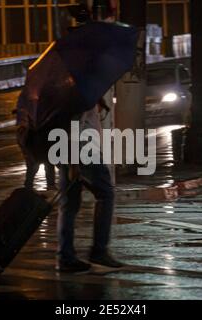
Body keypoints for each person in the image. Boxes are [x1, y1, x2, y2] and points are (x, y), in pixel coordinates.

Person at [56, 0, 122, 273]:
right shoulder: (78, 74)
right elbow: (74, 113)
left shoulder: (64, 69)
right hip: (80, 144)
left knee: (69, 202)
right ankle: (98, 250)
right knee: (105, 193)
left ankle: (66, 256)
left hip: (65, 144)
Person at [15, 96, 56, 191]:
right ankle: (31, 186)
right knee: (35, 164)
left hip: (39, 137)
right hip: (32, 138)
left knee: (45, 163)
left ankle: (48, 184)